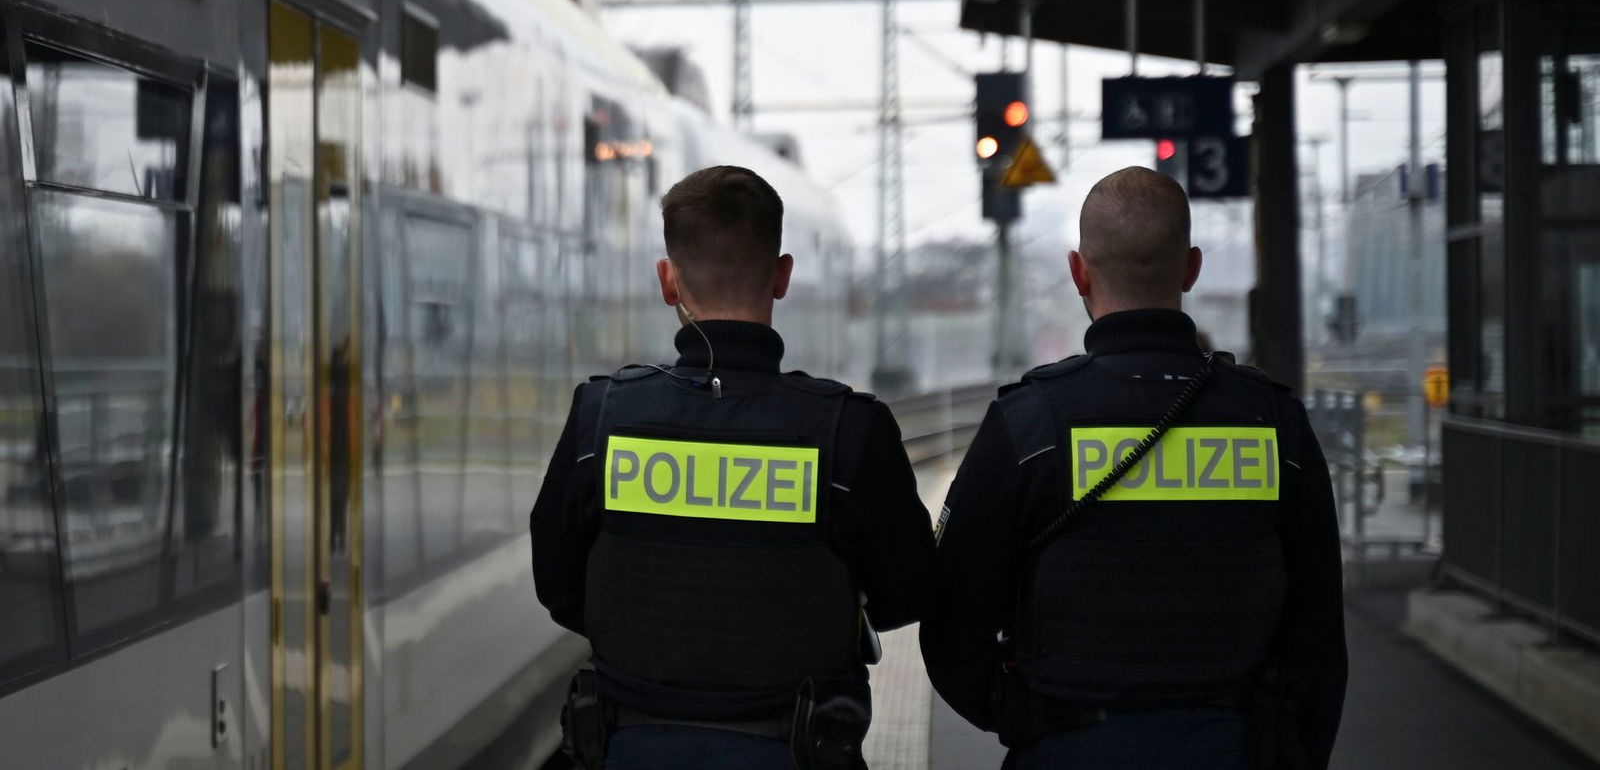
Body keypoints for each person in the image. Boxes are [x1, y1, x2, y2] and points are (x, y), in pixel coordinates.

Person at [921, 167, 1346, 769]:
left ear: (1079, 272)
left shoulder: (1030, 423)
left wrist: (1021, 717)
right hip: (1236, 747)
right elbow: (1319, 631)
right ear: (1191, 268)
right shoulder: (1273, 422)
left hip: (1070, 748)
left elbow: (952, 617)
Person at [532, 165, 934, 770]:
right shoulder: (850, 430)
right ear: (782, 275)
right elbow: (909, 590)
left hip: (630, 747)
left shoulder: (601, 418)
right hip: (795, 749)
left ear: (668, 281)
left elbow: (559, 584)